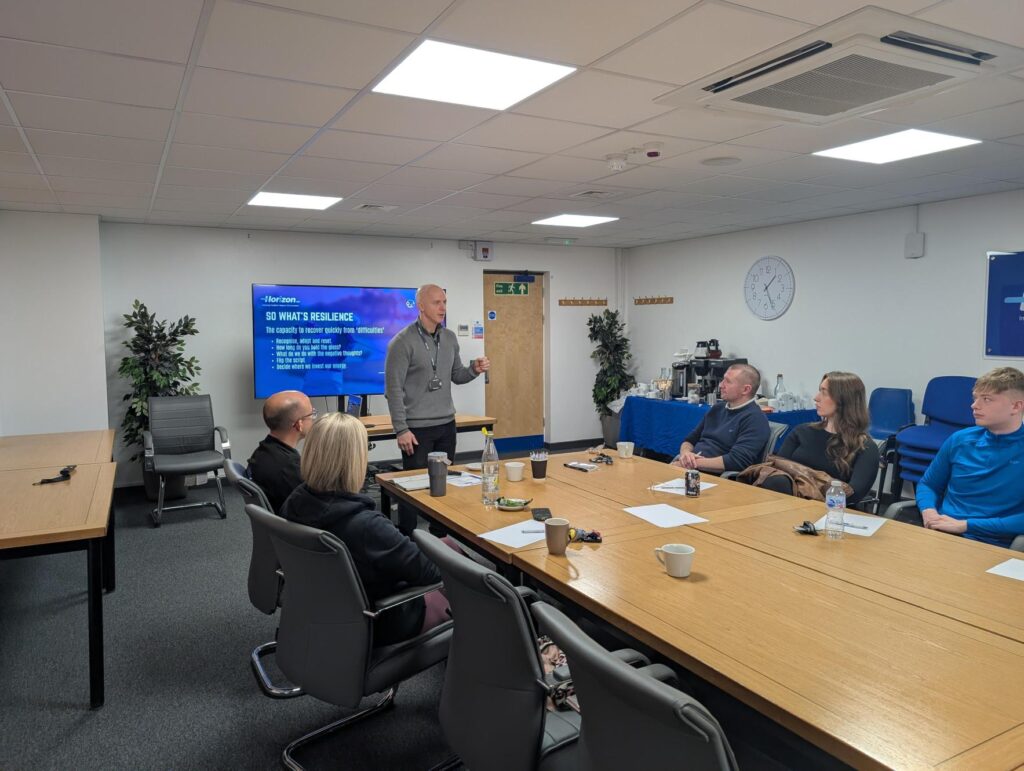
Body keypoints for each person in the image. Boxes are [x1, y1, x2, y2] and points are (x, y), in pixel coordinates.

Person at [280, 413, 451, 644]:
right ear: (354, 460)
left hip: (329, 609)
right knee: (465, 585)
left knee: (448, 545)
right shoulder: (366, 526)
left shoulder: (295, 501)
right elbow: (431, 573)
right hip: (384, 617)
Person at [385, 283, 490, 534]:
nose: (442, 307)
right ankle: (407, 537)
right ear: (421, 306)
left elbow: (457, 375)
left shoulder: (450, 338)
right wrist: (401, 429)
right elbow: (394, 390)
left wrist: (474, 370)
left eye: (444, 302)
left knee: (444, 485)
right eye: (436, 302)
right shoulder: (402, 342)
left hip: (445, 426)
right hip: (416, 430)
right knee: (413, 487)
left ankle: (440, 536)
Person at [916, 367, 1024, 548]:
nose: (974, 405)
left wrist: (965, 525)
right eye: (975, 398)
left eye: (987, 399)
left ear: (1016, 406)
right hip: (941, 532)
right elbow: (928, 484)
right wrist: (928, 510)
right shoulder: (960, 439)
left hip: (993, 544)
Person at [757, 372, 880, 505]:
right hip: (788, 505)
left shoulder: (865, 447)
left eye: (824, 393)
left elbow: (852, 495)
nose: (816, 398)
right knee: (776, 480)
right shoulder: (802, 432)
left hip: (830, 513)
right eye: (819, 391)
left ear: (844, 400)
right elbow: (778, 469)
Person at [672, 363, 770, 473]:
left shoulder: (755, 420)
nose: (721, 385)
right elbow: (689, 440)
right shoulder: (717, 409)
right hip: (691, 468)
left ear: (745, 390)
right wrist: (685, 454)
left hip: (715, 477)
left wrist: (689, 463)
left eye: (728, 381)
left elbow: (736, 461)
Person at [247, 390, 316, 513]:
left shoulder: (262, 452)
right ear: (299, 424)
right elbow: (317, 509)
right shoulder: (289, 468)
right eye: (312, 414)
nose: (313, 419)